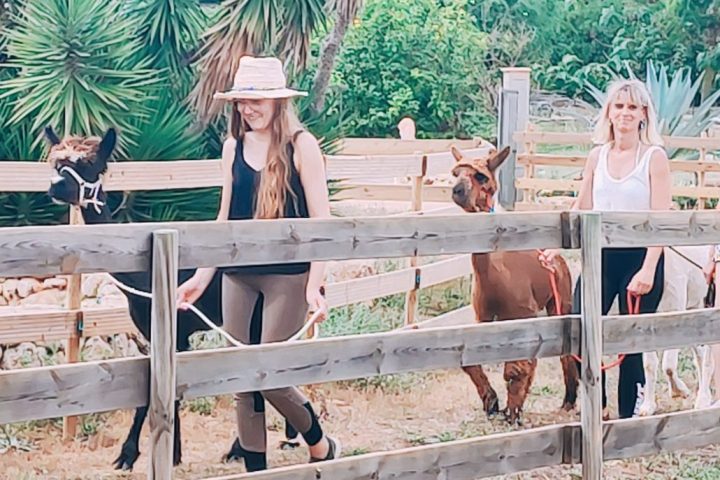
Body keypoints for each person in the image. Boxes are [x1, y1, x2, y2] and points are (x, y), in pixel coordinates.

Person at [176, 56, 340, 471]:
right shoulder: (232, 148)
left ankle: (320, 442)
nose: (248, 109)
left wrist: (314, 284)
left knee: (269, 376)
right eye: (241, 102)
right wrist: (201, 276)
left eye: (257, 101)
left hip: (288, 276)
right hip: (238, 275)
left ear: (278, 102)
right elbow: (224, 219)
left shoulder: (302, 146)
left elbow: (322, 221)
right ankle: (255, 471)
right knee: (241, 380)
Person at [540, 79, 672, 419]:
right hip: (601, 257)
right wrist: (557, 248)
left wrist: (648, 268)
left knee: (631, 341)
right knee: (585, 327)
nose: (625, 113)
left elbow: (662, 218)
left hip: (640, 257)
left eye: (632, 107)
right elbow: (582, 204)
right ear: (609, 113)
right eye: (619, 106)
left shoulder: (654, 158)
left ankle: (628, 418)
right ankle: (594, 410)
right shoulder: (597, 156)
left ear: (643, 114)